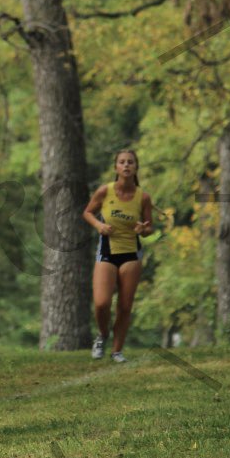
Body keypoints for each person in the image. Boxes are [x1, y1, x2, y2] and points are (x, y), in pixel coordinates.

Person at [82, 149, 154, 363]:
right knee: (102, 303)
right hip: (107, 251)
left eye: (130, 162)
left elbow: (150, 227)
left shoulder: (144, 197)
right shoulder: (105, 191)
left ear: (136, 167)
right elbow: (87, 213)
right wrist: (99, 225)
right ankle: (103, 335)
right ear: (116, 168)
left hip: (131, 253)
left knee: (124, 305)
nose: (126, 165)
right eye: (122, 162)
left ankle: (117, 350)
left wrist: (144, 230)